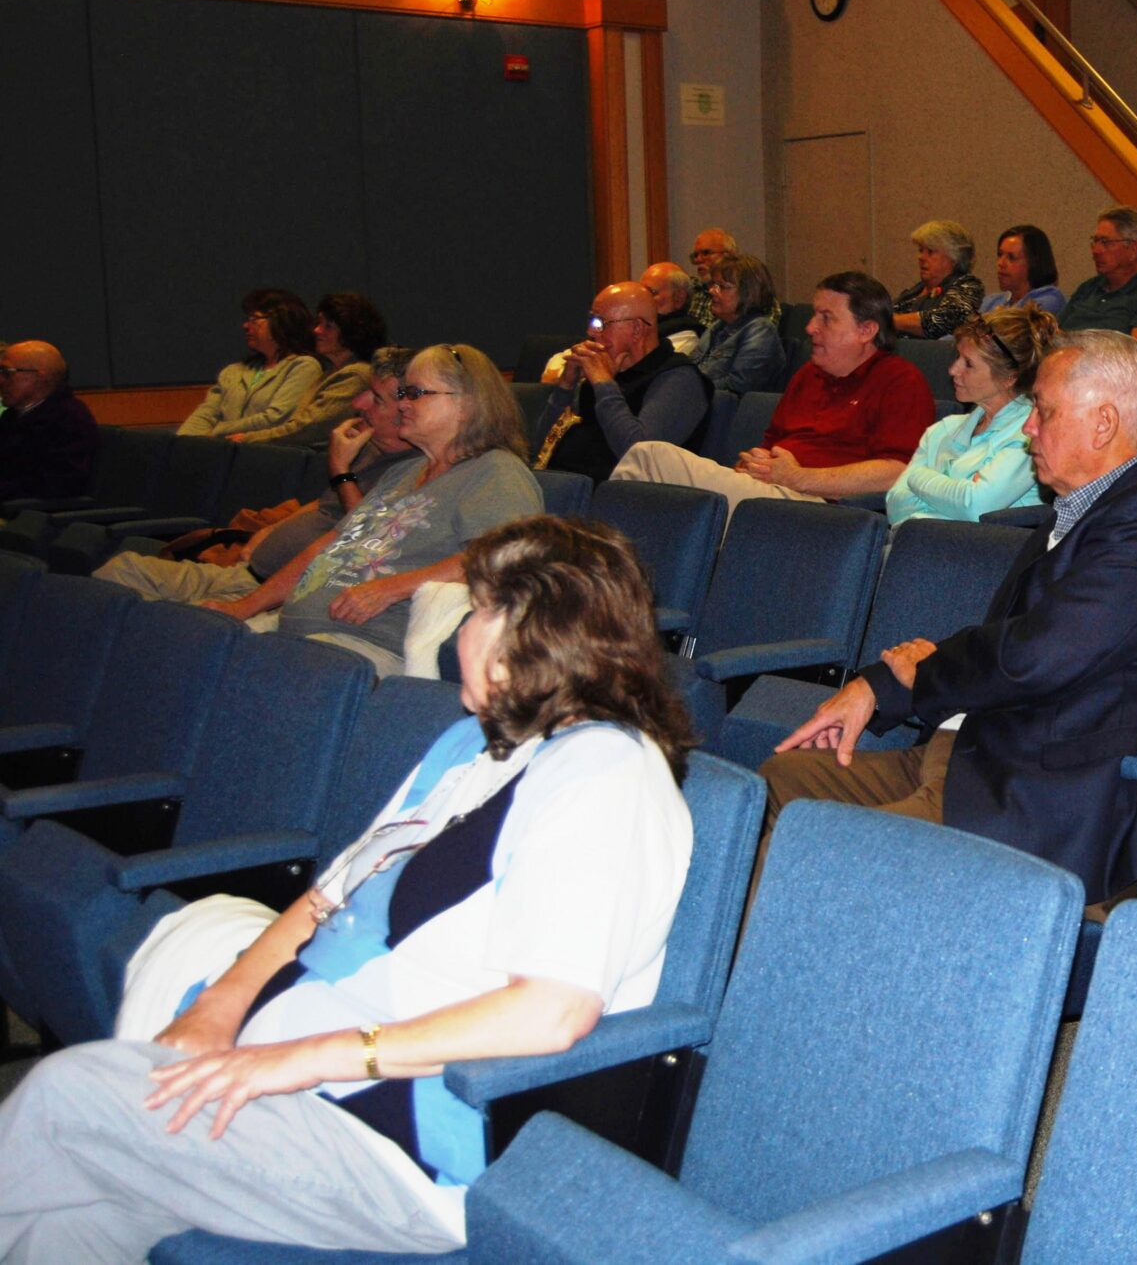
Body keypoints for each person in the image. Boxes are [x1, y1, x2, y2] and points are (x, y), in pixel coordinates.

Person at [0, 514, 696, 1261]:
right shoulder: (474, 744)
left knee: (66, 1099)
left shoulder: (604, 775)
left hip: (405, 1144)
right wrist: (218, 1007)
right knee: (78, 1220)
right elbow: (323, 899)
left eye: (476, 608)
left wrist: (303, 1056)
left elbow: (552, 1012)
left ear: (526, 635)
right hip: (303, 1075)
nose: (459, 628)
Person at [766, 330, 1137, 905]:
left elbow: (1036, 656)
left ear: (1104, 424)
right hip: (976, 751)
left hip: (1044, 791)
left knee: (824, 849)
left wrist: (916, 674)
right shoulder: (1093, 506)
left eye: (1043, 409)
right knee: (781, 782)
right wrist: (883, 685)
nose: (1028, 427)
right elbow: (1017, 642)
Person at [207, 344, 543, 678]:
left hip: (368, 649)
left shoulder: (497, 472)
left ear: (466, 405)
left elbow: (505, 557)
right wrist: (241, 608)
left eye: (415, 393)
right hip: (295, 632)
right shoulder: (402, 473)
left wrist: (393, 587)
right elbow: (326, 548)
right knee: (198, 645)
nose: (402, 404)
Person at [96, 347, 422, 606]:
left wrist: (340, 472)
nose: (358, 403)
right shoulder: (371, 447)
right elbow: (324, 506)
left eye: (376, 398)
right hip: (247, 572)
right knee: (120, 569)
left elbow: (368, 539)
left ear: (409, 409)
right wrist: (270, 530)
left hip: (278, 596)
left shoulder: (417, 466)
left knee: (162, 621)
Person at [612, 272, 932, 520]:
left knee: (649, 457)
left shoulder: (900, 381)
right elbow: (768, 449)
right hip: (772, 492)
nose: (810, 327)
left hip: (821, 511)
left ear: (867, 330)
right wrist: (750, 465)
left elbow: (898, 471)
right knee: (652, 490)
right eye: (814, 315)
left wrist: (800, 478)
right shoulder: (808, 376)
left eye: (826, 318)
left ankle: (595, 582)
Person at [886, 304, 1055, 526]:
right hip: (916, 547)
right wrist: (955, 494)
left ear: (1010, 377)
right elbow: (894, 505)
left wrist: (917, 477)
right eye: (958, 357)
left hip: (983, 555)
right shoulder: (942, 430)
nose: (953, 370)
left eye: (968, 364)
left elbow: (975, 507)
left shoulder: (1030, 435)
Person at [532, 281, 708, 481]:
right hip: (564, 484)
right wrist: (566, 387)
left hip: (622, 500)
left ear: (636, 329)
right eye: (591, 321)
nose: (592, 332)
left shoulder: (678, 378)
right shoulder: (607, 369)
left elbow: (640, 455)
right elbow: (541, 446)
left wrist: (604, 384)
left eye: (601, 323)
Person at [232, 292, 390, 448]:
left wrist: (247, 438)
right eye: (319, 323)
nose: (316, 330)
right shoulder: (331, 372)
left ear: (351, 333)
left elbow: (309, 428)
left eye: (328, 326)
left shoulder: (355, 375)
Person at [179, 291, 324, 437]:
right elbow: (206, 413)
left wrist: (214, 432)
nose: (245, 325)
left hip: (265, 453)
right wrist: (183, 442)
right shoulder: (233, 371)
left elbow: (275, 418)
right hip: (223, 451)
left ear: (281, 322)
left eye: (254, 320)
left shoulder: (303, 367)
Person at [0, 340, 96, 505]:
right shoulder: (13, 417)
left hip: (39, 518)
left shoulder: (68, 420)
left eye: (7, 373)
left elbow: (58, 484)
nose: (1, 380)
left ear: (40, 377)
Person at [1059, 206, 1137, 336]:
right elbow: (1056, 333)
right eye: (1095, 241)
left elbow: (1136, 349)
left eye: (1106, 242)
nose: (1096, 250)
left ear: (1133, 249)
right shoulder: (1088, 287)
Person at [694, 252, 786, 397]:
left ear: (748, 292)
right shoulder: (717, 327)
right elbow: (691, 369)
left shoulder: (760, 330)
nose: (712, 291)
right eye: (713, 285)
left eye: (722, 287)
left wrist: (687, 389)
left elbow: (738, 387)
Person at [892, 220, 984, 339]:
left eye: (930, 252)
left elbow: (947, 319)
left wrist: (890, 321)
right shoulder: (916, 290)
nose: (921, 257)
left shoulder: (968, 285)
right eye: (921, 250)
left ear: (954, 257)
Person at [979, 224, 1066, 318]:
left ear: (1034, 262)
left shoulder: (1049, 302)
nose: (1000, 263)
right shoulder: (991, 302)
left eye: (1011, 257)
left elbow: (1014, 328)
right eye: (1000, 255)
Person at [640, 259, 698, 342]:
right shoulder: (643, 328)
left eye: (651, 292)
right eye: (642, 292)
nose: (643, 299)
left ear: (679, 298)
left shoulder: (686, 335)